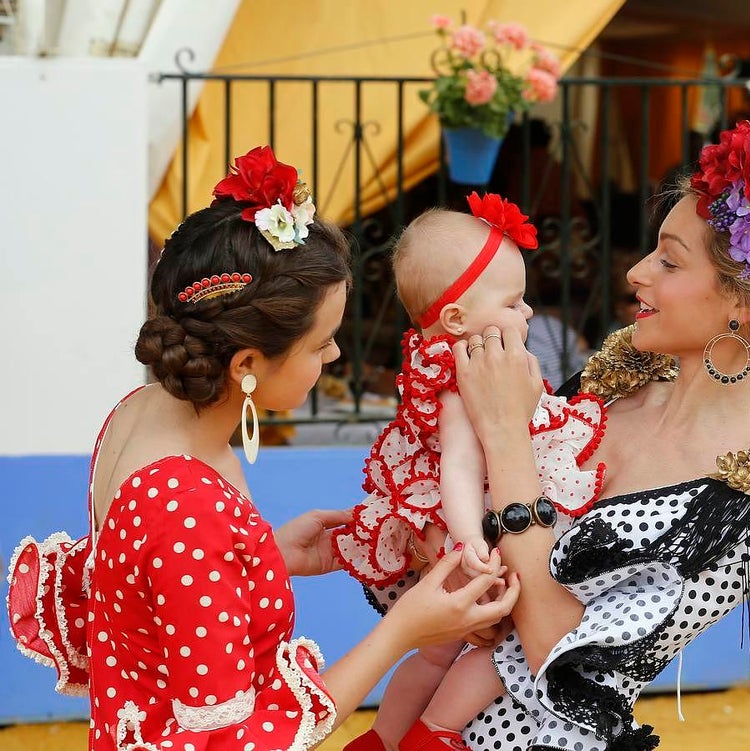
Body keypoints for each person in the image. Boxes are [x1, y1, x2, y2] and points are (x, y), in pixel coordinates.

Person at [5, 146, 518, 751]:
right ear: (248, 362)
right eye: (321, 343)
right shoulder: (187, 505)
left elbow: (143, 595)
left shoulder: (138, 416)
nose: (334, 357)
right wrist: (403, 630)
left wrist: (266, 556)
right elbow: (237, 741)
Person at [372, 115, 750, 750]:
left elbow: (563, 656)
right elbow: (455, 498)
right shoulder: (603, 386)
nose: (635, 273)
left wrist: (508, 442)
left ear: (742, 304)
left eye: (669, 262)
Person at [332, 193, 605, 751]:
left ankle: (382, 737)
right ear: (456, 318)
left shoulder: (438, 363)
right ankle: (435, 732)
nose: (527, 313)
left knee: (436, 651)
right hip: (480, 529)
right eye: (513, 302)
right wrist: (469, 546)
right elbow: (456, 467)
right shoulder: (464, 379)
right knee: (497, 648)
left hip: (464, 520)